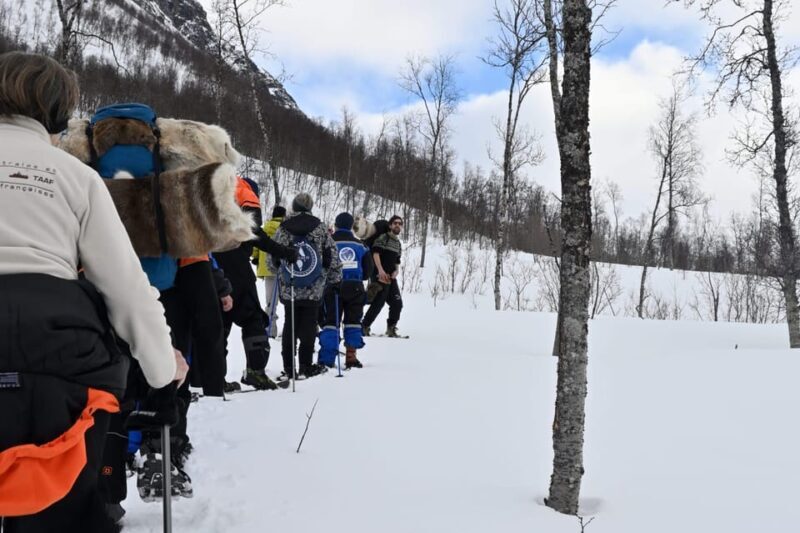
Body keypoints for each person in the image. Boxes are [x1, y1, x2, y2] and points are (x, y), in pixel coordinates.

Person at [0, 51, 186, 532]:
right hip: (61, 357)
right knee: (59, 509)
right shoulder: (76, 177)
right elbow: (127, 288)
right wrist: (162, 372)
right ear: (57, 114)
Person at [214, 178, 296, 391]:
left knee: (219, 323)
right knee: (253, 318)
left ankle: (213, 379)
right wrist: (285, 252)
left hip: (209, 266)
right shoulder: (244, 193)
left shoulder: (213, 189)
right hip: (236, 266)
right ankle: (256, 371)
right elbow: (253, 232)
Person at [271, 193, 342, 381]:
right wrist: (335, 279)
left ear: (294, 206)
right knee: (310, 326)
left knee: (290, 324)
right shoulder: (320, 228)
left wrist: (277, 270)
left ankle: (288, 367)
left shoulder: (283, 228)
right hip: (314, 286)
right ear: (311, 207)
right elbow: (333, 257)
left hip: (290, 285)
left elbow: (273, 259)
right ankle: (305, 366)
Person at [322, 212, 373, 369]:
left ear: (336, 225)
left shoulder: (327, 242)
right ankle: (351, 356)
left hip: (332, 286)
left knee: (331, 322)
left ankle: (327, 359)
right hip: (355, 287)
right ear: (351, 227)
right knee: (353, 322)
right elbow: (368, 272)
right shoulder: (361, 245)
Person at [362, 215, 404, 337]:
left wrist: (396, 271)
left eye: (400, 223)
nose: (397, 225)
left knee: (397, 303)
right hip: (379, 275)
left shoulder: (398, 243)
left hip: (391, 277)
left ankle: (391, 328)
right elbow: (375, 254)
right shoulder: (383, 238)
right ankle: (364, 326)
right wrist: (380, 271)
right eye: (395, 223)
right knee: (378, 303)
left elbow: (397, 260)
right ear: (390, 225)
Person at [254, 205, 287, 338]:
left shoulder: (265, 228)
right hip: (284, 269)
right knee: (287, 299)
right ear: (283, 215)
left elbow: (256, 244)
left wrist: (256, 257)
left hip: (268, 269)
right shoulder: (285, 229)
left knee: (270, 301)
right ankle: (288, 329)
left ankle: (270, 329)